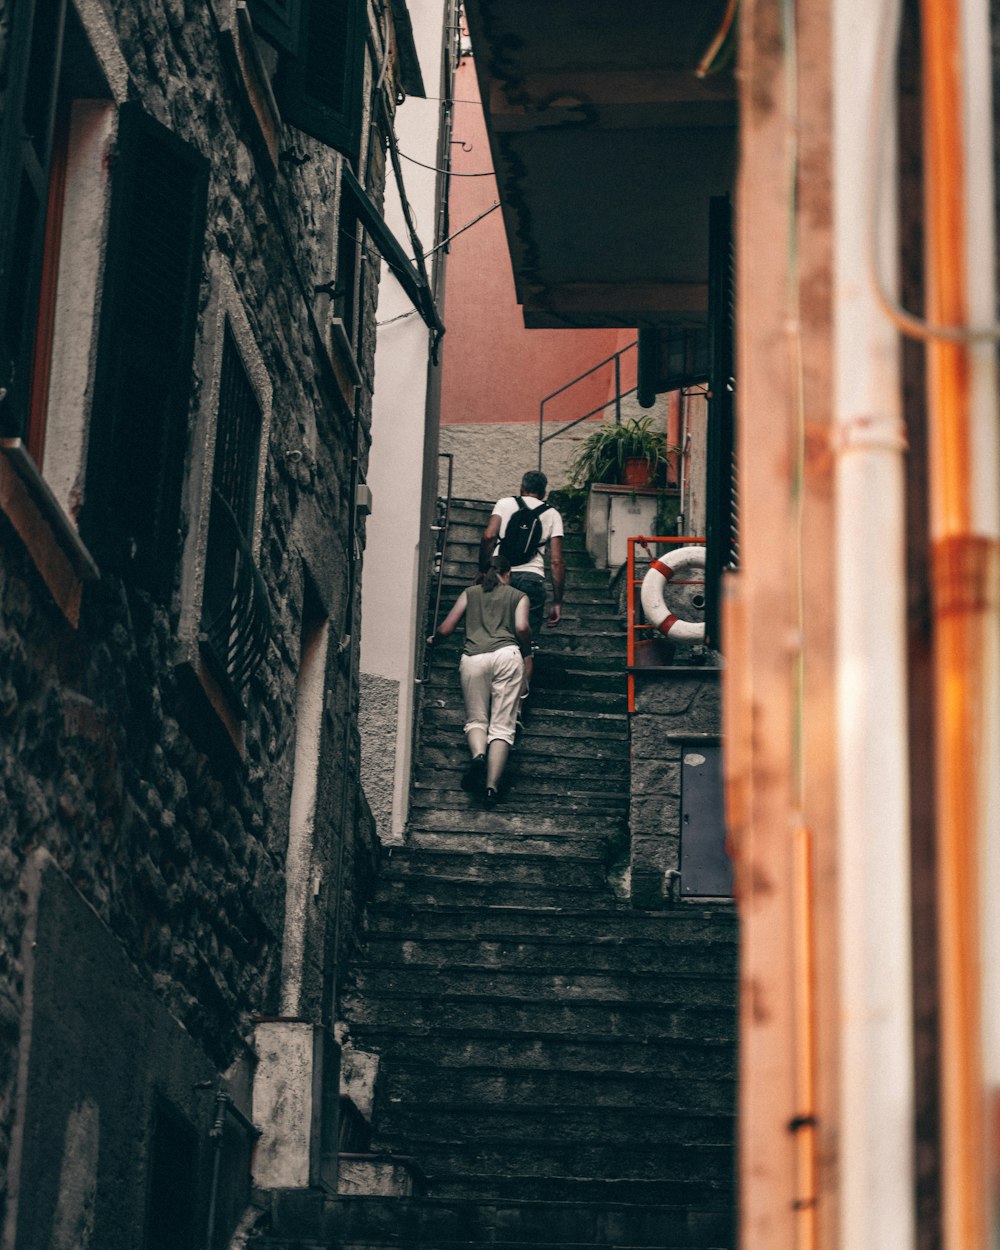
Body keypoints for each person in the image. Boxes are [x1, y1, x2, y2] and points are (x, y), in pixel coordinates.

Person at [427, 555, 531, 806]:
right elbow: (521, 628)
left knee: (476, 719)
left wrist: (433, 641)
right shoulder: (518, 596)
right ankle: (491, 788)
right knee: (503, 725)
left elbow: (445, 629)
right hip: (507, 655)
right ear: (507, 574)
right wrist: (527, 652)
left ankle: (478, 756)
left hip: (473, 658)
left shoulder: (470, 593)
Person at [478, 470, 565, 701]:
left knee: (493, 636)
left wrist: (483, 569)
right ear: (544, 491)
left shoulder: (505, 503)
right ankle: (516, 704)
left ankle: (489, 696)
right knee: (525, 647)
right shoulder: (552, 513)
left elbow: (488, 536)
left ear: (521, 488)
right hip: (532, 580)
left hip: (499, 574)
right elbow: (556, 560)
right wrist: (557, 601)